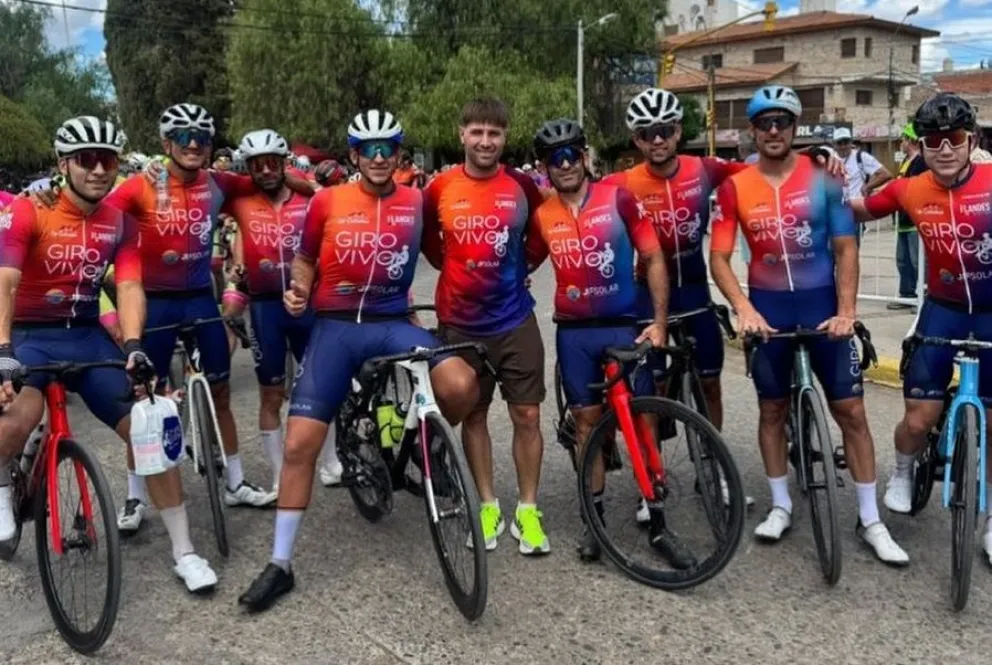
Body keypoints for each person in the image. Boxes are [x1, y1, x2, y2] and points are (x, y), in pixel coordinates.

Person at [237, 110, 480, 612]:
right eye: (367, 148)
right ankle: (279, 563)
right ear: (353, 155)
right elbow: (304, 257)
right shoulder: (326, 199)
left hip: (393, 321)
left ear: (398, 153)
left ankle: (420, 443)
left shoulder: (417, 199)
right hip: (336, 328)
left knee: (461, 384)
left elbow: (458, 227)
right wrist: (300, 291)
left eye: (386, 147)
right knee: (302, 441)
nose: (377, 156)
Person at [0, 116, 220, 592]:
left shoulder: (119, 223)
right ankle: (2, 482)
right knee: (15, 421)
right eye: (87, 159)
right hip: (29, 334)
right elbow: (7, 282)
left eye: (108, 159)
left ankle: (184, 552)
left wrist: (136, 345)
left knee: (149, 424)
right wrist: (2, 351)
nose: (99, 169)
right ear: (64, 164)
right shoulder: (27, 210)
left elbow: (129, 285)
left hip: (84, 333)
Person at [709, 85, 908, 565]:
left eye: (782, 121)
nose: (774, 130)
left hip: (823, 310)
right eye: (764, 123)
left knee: (853, 413)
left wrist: (847, 311)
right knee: (772, 412)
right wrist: (744, 309)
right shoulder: (734, 186)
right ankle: (780, 505)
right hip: (769, 313)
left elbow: (846, 249)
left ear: (796, 127)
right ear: (752, 131)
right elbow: (719, 257)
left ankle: (869, 519)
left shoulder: (828, 181)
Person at [523, 119, 689, 564]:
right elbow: (521, 263)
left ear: (584, 156)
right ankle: (593, 521)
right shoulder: (543, 215)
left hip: (623, 325)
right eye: (555, 160)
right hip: (574, 334)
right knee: (587, 427)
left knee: (643, 419)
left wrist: (659, 323)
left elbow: (653, 256)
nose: (565, 165)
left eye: (571, 155)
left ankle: (657, 522)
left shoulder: (617, 198)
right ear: (546, 168)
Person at [105, 103, 278, 530]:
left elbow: (268, 179)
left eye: (202, 136)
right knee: (146, 403)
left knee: (221, 392)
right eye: (184, 136)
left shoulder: (217, 184)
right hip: (157, 301)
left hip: (200, 297)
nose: (195, 144)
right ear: (166, 144)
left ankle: (235, 482)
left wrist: (301, 180)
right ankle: (134, 496)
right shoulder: (139, 186)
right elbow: (94, 209)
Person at [847, 93, 992, 564]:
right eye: (933, 140)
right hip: (942, 309)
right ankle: (905, 471)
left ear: (971, 141)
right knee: (917, 420)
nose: (944, 148)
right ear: (922, 146)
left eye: (954, 138)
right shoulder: (910, 188)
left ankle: (990, 517)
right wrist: (815, 194)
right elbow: (860, 209)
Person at [422, 98, 551, 555]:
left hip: (514, 318)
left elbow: (539, 237)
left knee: (528, 415)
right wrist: (457, 271)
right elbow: (430, 247)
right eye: (476, 131)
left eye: (494, 133)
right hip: (459, 321)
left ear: (505, 137)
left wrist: (516, 269)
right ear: (461, 135)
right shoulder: (438, 188)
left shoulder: (520, 186)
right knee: (474, 413)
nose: (485, 141)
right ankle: (488, 504)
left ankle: (528, 512)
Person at [219, 129, 340, 491]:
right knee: (270, 394)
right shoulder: (240, 199)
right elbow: (193, 188)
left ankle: (331, 461)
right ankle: (279, 475)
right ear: (249, 167)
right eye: (258, 164)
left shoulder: (309, 197)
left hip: (309, 302)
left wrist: (305, 184)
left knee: (321, 387)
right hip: (265, 307)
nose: (267, 170)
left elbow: (336, 200)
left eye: (274, 162)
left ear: (284, 163)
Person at [889, 123, 927, 310]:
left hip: (915, 221)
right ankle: (907, 294)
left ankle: (923, 297)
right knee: (902, 260)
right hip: (902, 220)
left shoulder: (921, 162)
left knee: (917, 261)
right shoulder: (906, 160)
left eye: (904, 138)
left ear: (911, 140)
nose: (901, 142)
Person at [832, 127, 892, 202]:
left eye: (846, 142)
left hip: (857, 208)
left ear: (851, 142)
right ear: (834, 144)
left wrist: (868, 187)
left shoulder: (861, 156)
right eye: (839, 143)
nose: (843, 146)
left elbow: (886, 174)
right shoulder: (829, 159)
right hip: (837, 209)